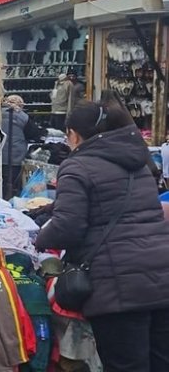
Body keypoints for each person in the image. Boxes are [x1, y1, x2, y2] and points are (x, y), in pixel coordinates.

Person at [35, 100, 169, 371]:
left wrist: (38, 238)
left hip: (118, 285)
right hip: (161, 276)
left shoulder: (77, 166)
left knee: (127, 365)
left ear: (74, 134)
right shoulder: (139, 163)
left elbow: (68, 227)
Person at [1, 95, 41, 198]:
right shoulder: (22, 117)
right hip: (16, 156)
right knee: (13, 183)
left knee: (1, 182)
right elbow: (34, 134)